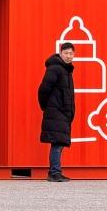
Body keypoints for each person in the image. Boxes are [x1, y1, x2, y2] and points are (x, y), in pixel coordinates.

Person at [38, 41, 76, 182]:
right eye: (66, 53)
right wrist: (46, 106)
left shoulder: (66, 70)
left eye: (71, 53)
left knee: (58, 143)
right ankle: (54, 172)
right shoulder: (55, 68)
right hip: (56, 112)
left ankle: (55, 171)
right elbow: (43, 89)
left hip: (61, 113)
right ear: (60, 54)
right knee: (57, 143)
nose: (68, 56)